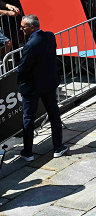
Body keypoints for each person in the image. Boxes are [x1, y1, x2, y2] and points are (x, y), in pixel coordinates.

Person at [17, 15, 66, 160]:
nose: (21, 29)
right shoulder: (50, 36)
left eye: (23, 27)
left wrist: (20, 81)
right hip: (48, 84)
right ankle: (58, 147)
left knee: (28, 118)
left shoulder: (31, 45)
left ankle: (28, 152)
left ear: (32, 27)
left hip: (32, 87)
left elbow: (23, 68)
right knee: (54, 114)